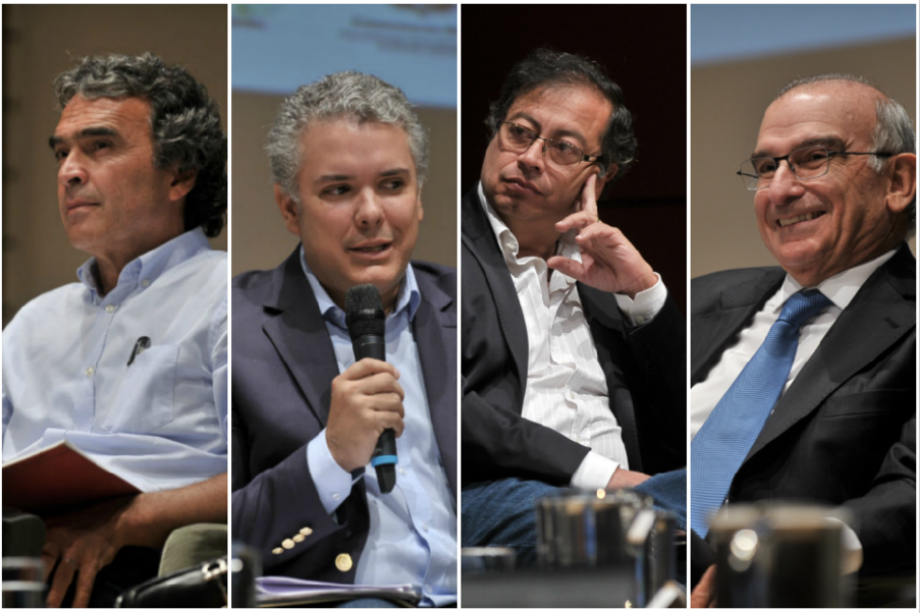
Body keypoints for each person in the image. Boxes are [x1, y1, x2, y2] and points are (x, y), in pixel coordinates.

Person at [1, 53, 228, 607]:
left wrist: (132, 519)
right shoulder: (32, 322)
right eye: (62, 152)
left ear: (180, 173)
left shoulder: (230, 300)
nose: (68, 171)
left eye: (99, 147)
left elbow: (274, 472)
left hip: (141, 563)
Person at [231, 72, 457, 607]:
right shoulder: (232, 327)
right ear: (290, 209)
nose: (372, 212)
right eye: (339, 190)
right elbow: (212, 540)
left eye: (393, 185)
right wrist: (330, 457)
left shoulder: (467, 306)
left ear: (419, 198)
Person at [689, 74, 916, 602]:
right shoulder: (700, 299)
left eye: (814, 158)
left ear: (898, 182)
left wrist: (785, 551)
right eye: (767, 166)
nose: (781, 189)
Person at [461, 48, 686, 565]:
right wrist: (602, 477)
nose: (530, 157)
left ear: (596, 178)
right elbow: (450, 403)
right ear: (495, 130)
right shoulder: (444, 249)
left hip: (632, 499)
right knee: (602, 523)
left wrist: (642, 293)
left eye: (562, 147)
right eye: (519, 132)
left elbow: (679, 423)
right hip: (492, 493)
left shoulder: (601, 270)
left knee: (739, 495)